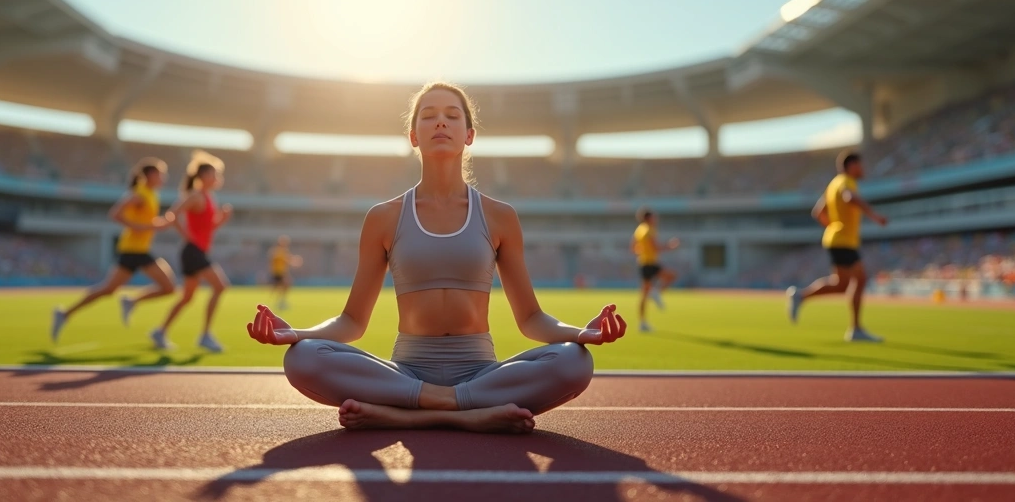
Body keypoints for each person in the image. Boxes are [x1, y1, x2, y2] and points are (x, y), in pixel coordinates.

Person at [247, 82, 626, 434]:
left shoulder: (500, 216)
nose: (440, 121)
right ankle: (465, 413)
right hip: (407, 372)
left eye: (452, 114)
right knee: (303, 359)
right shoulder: (384, 217)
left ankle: (405, 415)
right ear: (414, 136)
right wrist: (297, 334)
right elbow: (351, 321)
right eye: (427, 115)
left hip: (480, 372)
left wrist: (580, 333)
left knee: (575, 361)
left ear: (469, 134)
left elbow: (531, 319)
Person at [51, 158, 177, 342]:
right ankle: (66, 313)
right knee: (164, 287)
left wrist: (161, 224)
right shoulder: (139, 194)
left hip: (140, 250)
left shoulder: (152, 195)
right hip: (133, 251)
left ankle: (67, 313)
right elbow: (115, 214)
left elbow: (146, 222)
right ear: (150, 175)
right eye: (161, 173)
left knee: (112, 289)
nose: (164, 177)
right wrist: (138, 227)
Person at [787, 150, 889, 342]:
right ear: (851, 166)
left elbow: (818, 212)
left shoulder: (832, 184)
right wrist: (874, 216)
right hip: (843, 242)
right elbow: (850, 198)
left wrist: (833, 227)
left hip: (837, 240)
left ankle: (801, 296)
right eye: (860, 165)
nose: (863, 169)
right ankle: (855, 329)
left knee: (842, 284)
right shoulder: (846, 183)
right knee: (860, 278)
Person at [150, 151, 234, 353]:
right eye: (215, 174)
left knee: (187, 298)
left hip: (197, 251)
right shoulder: (195, 196)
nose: (218, 178)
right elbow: (173, 215)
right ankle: (205, 336)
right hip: (193, 251)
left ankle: (160, 331)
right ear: (204, 176)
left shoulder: (209, 198)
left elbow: (208, 228)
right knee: (221, 286)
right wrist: (186, 235)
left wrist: (222, 219)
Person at [631, 207, 679, 333]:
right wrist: (671, 246)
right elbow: (656, 248)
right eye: (654, 216)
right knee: (671, 276)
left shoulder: (639, 230)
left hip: (643, 262)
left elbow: (633, 247)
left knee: (644, 295)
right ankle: (656, 293)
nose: (656, 219)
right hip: (650, 264)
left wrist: (642, 251)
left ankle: (642, 322)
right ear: (648, 218)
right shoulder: (649, 230)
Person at [269, 235, 302, 311]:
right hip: (278, 272)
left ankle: (280, 301)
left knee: (284, 286)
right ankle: (280, 302)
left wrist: (294, 261)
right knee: (285, 285)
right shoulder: (278, 251)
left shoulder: (283, 251)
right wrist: (295, 261)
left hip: (282, 272)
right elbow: (286, 259)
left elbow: (287, 259)